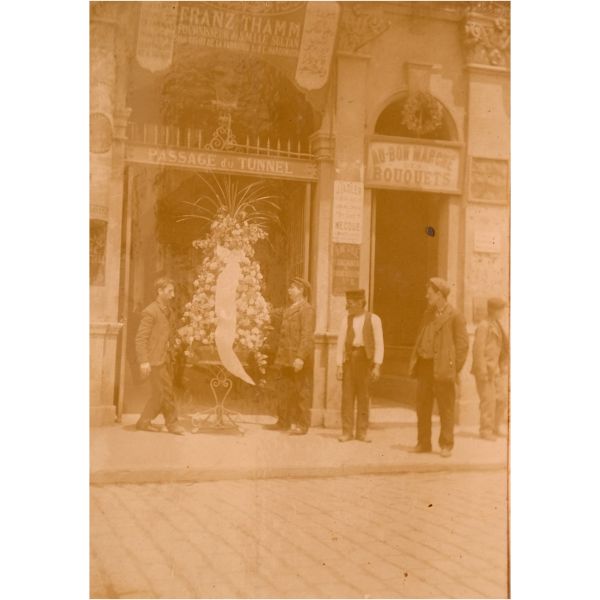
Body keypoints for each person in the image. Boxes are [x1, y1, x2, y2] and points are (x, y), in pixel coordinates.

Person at [408, 277, 468, 458]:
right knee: (422, 407)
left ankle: (446, 445)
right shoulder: (428, 314)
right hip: (425, 366)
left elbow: (463, 346)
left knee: (446, 408)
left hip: (443, 369)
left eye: (430, 293)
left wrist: (453, 368)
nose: (427, 296)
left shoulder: (455, 316)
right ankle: (423, 443)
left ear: (439, 294)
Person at [135, 277, 185, 435]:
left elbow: (168, 333)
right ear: (160, 291)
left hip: (167, 358)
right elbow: (141, 338)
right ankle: (173, 424)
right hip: (155, 360)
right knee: (166, 391)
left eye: (173, 291)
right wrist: (143, 361)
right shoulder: (150, 312)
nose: (173, 295)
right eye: (170, 291)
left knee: (159, 394)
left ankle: (143, 422)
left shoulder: (169, 311)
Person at [265, 277, 315, 435]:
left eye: (292, 287)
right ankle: (283, 421)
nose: (289, 290)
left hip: (298, 359)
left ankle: (302, 425)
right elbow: (274, 313)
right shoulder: (289, 309)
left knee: (301, 392)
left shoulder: (306, 309)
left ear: (301, 290)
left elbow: (307, 335)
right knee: (284, 391)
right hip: (285, 358)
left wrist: (300, 357)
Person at [335, 289, 384, 443]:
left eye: (350, 304)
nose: (348, 307)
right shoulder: (346, 320)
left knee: (364, 397)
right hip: (350, 361)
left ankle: (362, 432)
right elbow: (340, 343)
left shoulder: (374, 319)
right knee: (347, 398)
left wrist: (377, 365)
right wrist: (339, 365)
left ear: (360, 302)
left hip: (366, 362)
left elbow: (379, 344)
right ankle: (347, 432)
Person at [471, 297, 509, 440]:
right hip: (485, 369)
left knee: (502, 398)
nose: (503, 312)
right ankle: (485, 430)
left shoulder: (497, 324)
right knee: (488, 401)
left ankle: (495, 427)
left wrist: (503, 365)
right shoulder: (484, 326)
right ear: (493, 310)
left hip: (496, 369)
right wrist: (482, 371)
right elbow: (478, 350)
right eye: (501, 310)